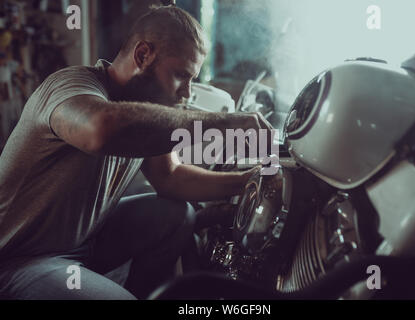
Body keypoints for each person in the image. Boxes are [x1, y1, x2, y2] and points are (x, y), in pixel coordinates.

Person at [0, 6, 272, 299]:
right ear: (143, 56)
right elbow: (100, 129)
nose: (186, 93)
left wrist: (252, 181)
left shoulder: (141, 109)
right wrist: (228, 123)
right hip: (19, 259)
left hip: (82, 243)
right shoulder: (70, 85)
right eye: (181, 75)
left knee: (178, 215)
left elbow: (170, 176)